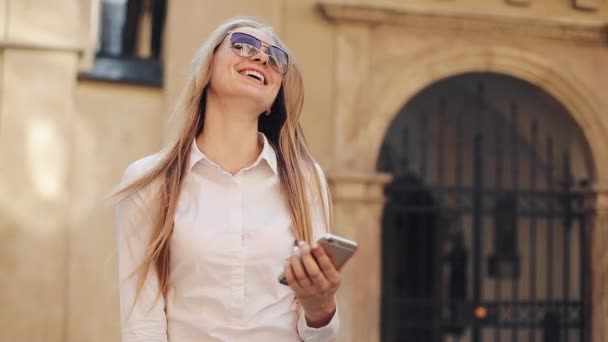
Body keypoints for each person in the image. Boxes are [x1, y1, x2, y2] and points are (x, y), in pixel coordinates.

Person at [114, 17, 342, 342]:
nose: (262, 58)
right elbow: (141, 325)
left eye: (276, 57)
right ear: (207, 68)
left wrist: (322, 306)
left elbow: (320, 335)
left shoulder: (305, 179)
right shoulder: (150, 182)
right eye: (243, 45)